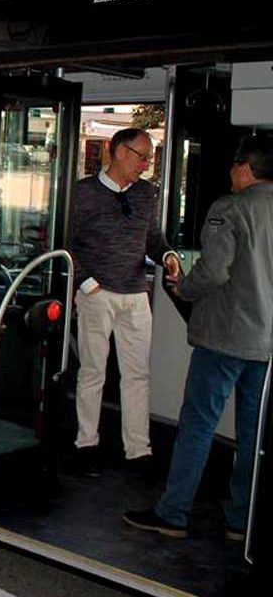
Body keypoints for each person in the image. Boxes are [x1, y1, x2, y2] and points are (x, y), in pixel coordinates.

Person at [124, 135, 273, 540]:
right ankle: (240, 521)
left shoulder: (231, 209)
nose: (229, 173)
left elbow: (215, 271)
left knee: (198, 425)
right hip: (265, 345)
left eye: (233, 166)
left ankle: (173, 513)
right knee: (253, 434)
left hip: (223, 338)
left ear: (246, 167)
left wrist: (184, 288)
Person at [68, 128, 180, 477]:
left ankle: (138, 450)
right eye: (141, 155)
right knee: (92, 372)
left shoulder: (147, 193)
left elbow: (153, 238)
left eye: (149, 157)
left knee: (137, 374)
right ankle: (86, 443)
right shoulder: (83, 193)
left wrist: (169, 257)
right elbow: (64, 241)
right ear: (118, 151)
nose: (145, 164)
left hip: (135, 296)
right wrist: (87, 283)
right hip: (96, 295)